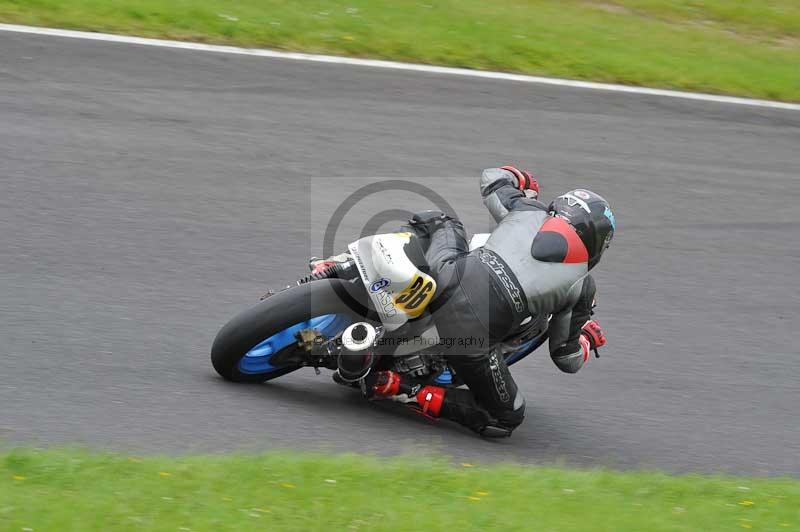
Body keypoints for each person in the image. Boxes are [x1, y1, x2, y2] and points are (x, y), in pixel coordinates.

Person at [364, 166, 616, 437]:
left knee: (439, 221)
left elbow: (492, 177)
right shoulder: (581, 284)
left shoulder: (527, 209)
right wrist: (585, 340)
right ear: (597, 244)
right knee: (507, 417)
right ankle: (401, 388)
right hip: (471, 338)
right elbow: (567, 359)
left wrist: (521, 179)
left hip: (446, 275)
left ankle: (338, 266)